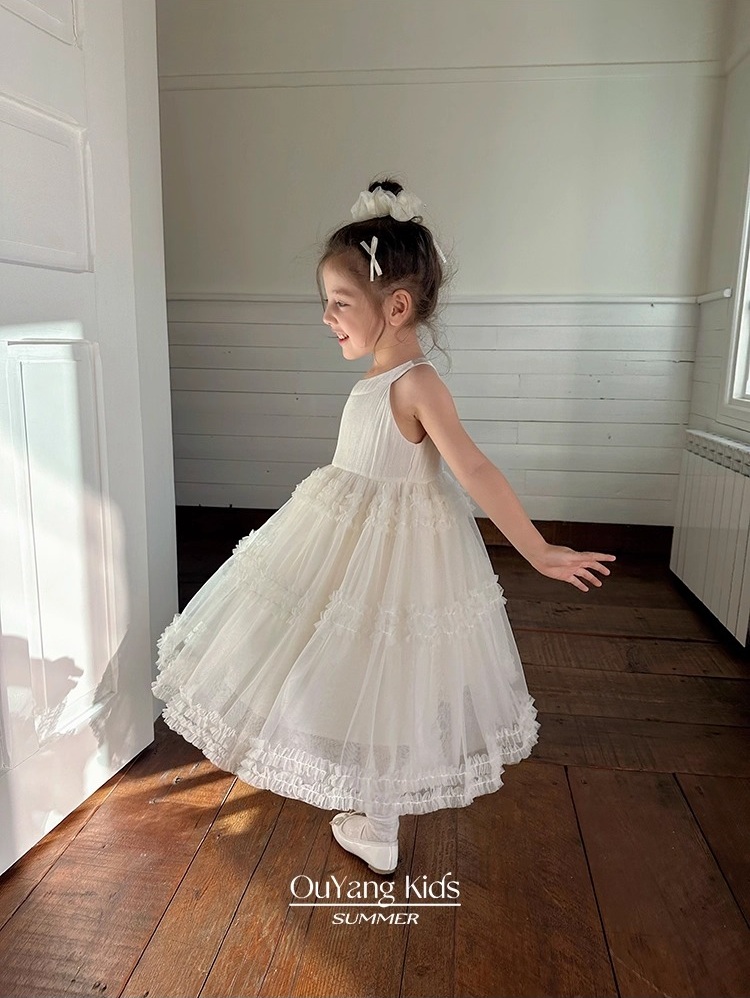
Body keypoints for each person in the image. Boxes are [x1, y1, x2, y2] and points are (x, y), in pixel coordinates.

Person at [152, 178, 616, 876]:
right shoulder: (376, 378)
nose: (326, 317)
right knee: (339, 660)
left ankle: (377, 818)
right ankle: (371, 811)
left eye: (340, 302)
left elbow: (474, 468)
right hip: (345, 536)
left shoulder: (417, 384)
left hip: (396, 554)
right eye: (326, 302)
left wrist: (539, 549)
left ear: (395, 307)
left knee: (387, 671)